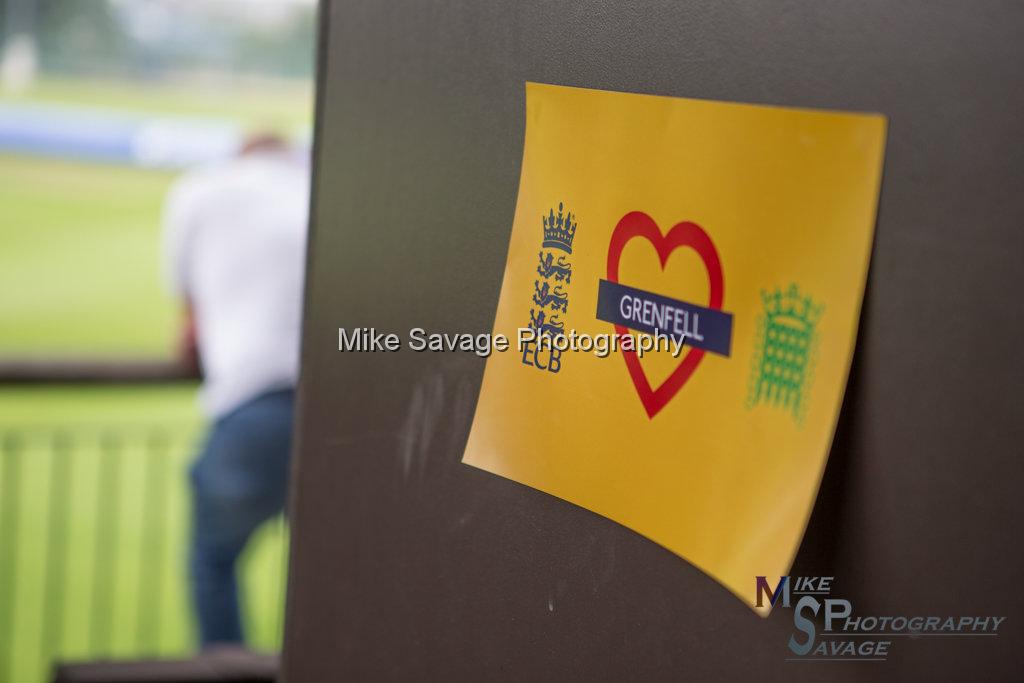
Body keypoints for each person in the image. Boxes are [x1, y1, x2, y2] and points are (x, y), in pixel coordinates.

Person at [162, 133, 309, 647]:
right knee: (331, 572)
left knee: (212, 562)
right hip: (344, 412)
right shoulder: (315, 188)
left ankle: (225, 671)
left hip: (253, 405)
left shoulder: (202, 190)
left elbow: (188, 320)